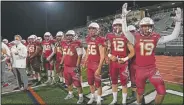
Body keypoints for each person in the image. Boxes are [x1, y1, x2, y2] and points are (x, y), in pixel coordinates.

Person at [122, 3, 182, 105]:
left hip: (152, 70)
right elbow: (125, 31)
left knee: (162, 92)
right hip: (140, 70)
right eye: (144, 26)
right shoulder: (135, 37)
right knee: (140, 94)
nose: (146, 28)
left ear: (152, 27)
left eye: (148, 26)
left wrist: (178, 22)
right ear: (140, 27)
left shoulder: (155, 37)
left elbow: (173, 36)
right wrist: (123, 17)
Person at [106, 18, 135, 105]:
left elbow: (132, 52)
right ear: (113, 26)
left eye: (120, 25)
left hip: (123, 63)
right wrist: (110, 56)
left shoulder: (126, 36)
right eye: (116, 25)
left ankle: (123, 101)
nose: (117, 27)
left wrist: (125, 59)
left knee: (124, 83)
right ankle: (114, 100)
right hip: (113, 63)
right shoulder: (109, 36)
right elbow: (106, 49)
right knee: (114, 82)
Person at [84, 22, 106, 105]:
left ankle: (99, 99)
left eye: (93, 29)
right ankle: (93, 97)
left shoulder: (101, 39)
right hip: (89, 64)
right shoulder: (88, 39)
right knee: (90, 82)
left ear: (97, 30)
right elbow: (88, 52)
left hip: (96, 64)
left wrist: (99, 67)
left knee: (98, 83)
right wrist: (85, 61)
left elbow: (102, 55)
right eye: (90, 29)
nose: (91, 30)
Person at [60, 30, 84, 104]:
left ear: (74, 36)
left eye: (70, 35)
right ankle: (70, 94)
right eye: (67, 35)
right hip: (66, 67)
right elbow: (64, 55)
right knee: (68, 82)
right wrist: (61, 63)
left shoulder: (77, 43)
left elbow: (80, 55)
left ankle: (81, 97)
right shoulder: (64, 43)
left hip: (74, 67)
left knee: (77, 83)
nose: (68, 37)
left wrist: (77, 66)